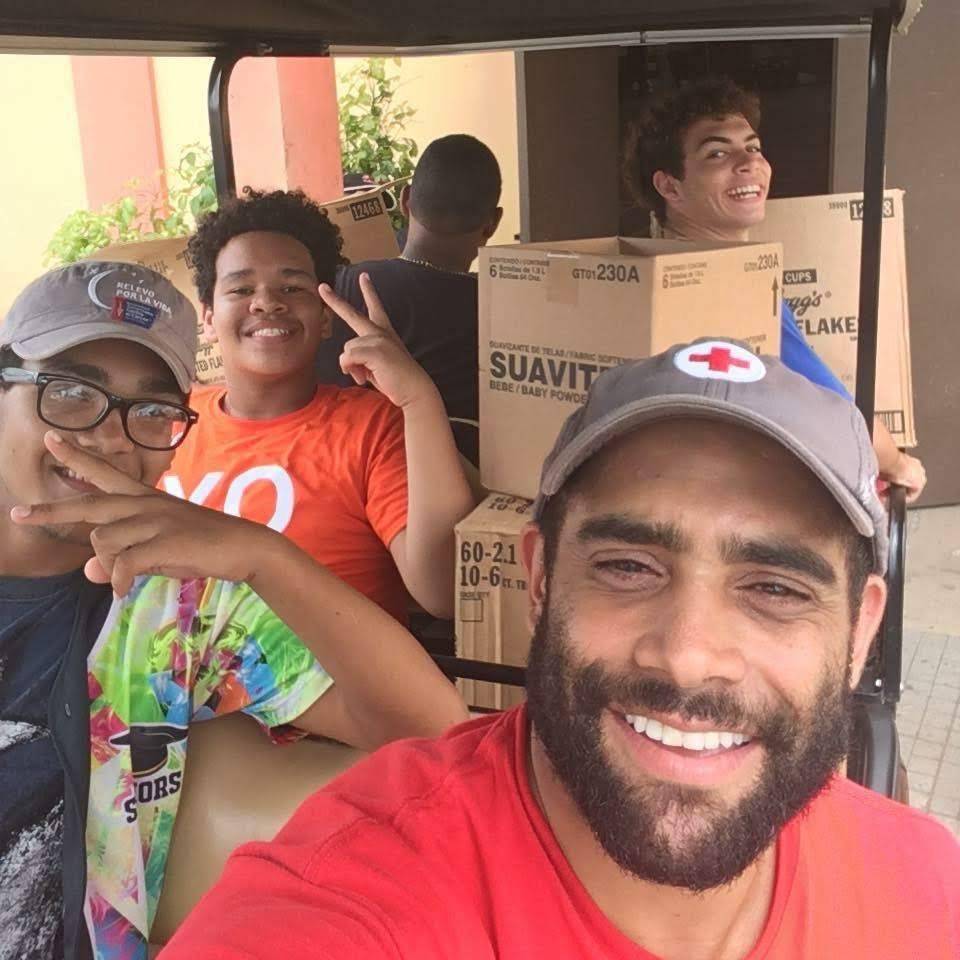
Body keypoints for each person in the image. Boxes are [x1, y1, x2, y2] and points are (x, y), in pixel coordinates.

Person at [161, 337, 959, 959]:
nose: (686, 656)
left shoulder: (928, 889)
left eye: (775, 589)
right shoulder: (361, 892)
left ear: (860, 632)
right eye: (628, 568)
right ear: (539, 580)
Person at [0, 261, 468, 960]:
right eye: (69, 393)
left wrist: (265, 558)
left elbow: (438, 737)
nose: (111, 436)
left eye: (153, 411)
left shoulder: (177, 611)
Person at [164, 189, 476, 623]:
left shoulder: (370, 427)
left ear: (325, 317)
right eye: (240, 288)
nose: (267, 302)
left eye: (293, 287)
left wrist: (418, 399)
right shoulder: (165, 422)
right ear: (208, 318)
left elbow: (444, 591)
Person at [623, 75, 927, 502]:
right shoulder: (727, 286)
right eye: (717, 153)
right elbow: (840, 417)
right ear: (670, 186)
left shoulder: (658, 268)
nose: (748, 164)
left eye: (753, 147)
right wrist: (898, 464)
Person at [315, 134, 504, 467]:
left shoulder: (339, 290)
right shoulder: (510, 308)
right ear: (492, 223)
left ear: (405, 201)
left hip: (348, 474)